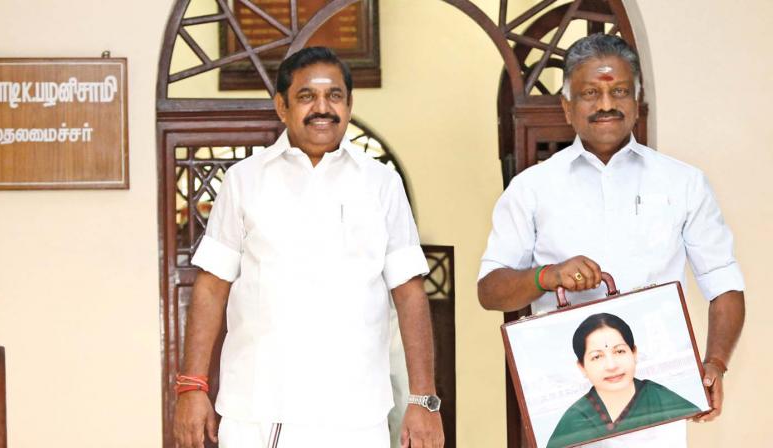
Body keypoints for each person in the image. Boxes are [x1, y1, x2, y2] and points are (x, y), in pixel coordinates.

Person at [478, 33, 745, 447]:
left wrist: (715, 364)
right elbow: (490, 291)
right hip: (566, 406)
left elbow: (724, 281)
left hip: (658, 406)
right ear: (567, 107)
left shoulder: (683, 182)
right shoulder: (530, 189)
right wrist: (547, 277)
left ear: (637, 102)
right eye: (590, 93)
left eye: (619, 91)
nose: (606, 104)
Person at [173, 47, 444, 448]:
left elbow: (409, 293)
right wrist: (192, 386)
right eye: (307, 97)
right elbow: (212, 286)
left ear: (350, 105)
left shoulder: (381, 183)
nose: (323, 108)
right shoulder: (244, 180)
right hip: (260, 412)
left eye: (334, 96)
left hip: (356, 415)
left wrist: (424, 400)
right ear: (281, 106)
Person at [547, 313, 700, 448]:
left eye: (619, 351)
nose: (612, 365)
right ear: (582, 367)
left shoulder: (659, 396)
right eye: (597, 357)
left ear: (634, 353)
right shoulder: (576, 416)